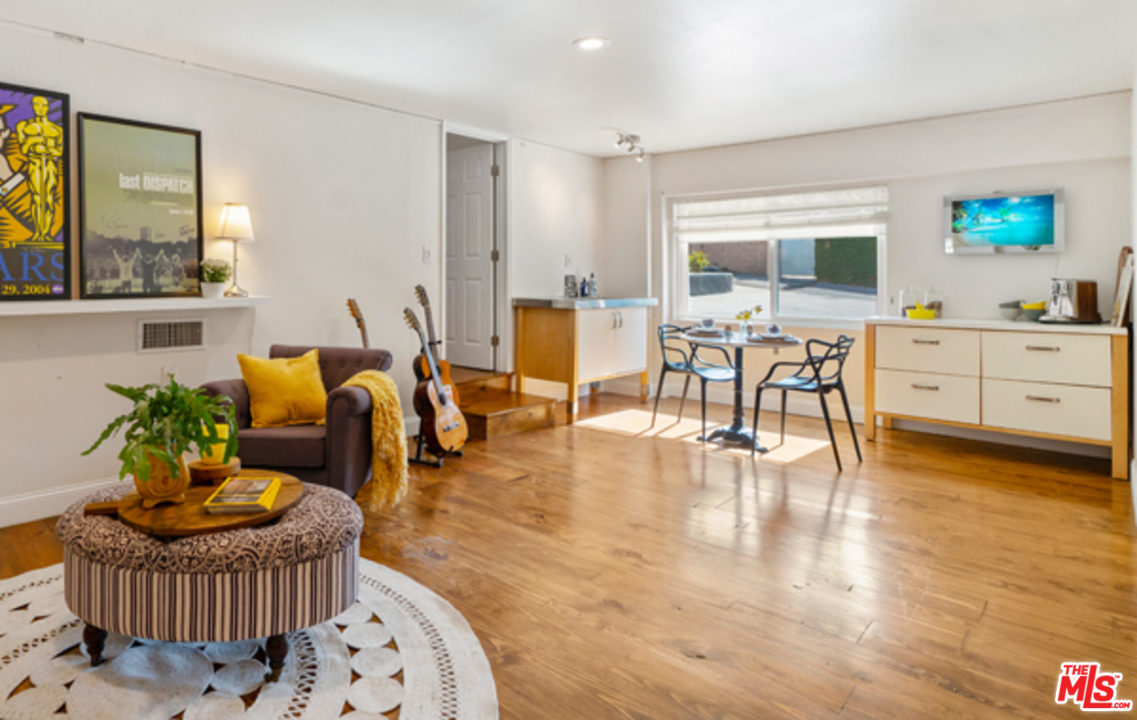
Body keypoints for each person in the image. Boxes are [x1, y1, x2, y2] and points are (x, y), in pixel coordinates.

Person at [16, 96, 64, 243]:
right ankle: (38, 233)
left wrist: (47, 149)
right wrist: (33, 141)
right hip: (35, 163)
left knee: (48, 198)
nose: (40, 108)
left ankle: (46, 233)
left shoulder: (56, 129)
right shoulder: (23, 125)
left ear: (48, 107)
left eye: (43, 105)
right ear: (33, 107)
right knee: (37, 197)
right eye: (36, 105)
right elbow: (23, 149)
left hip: (49, 164)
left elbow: (59, 152)